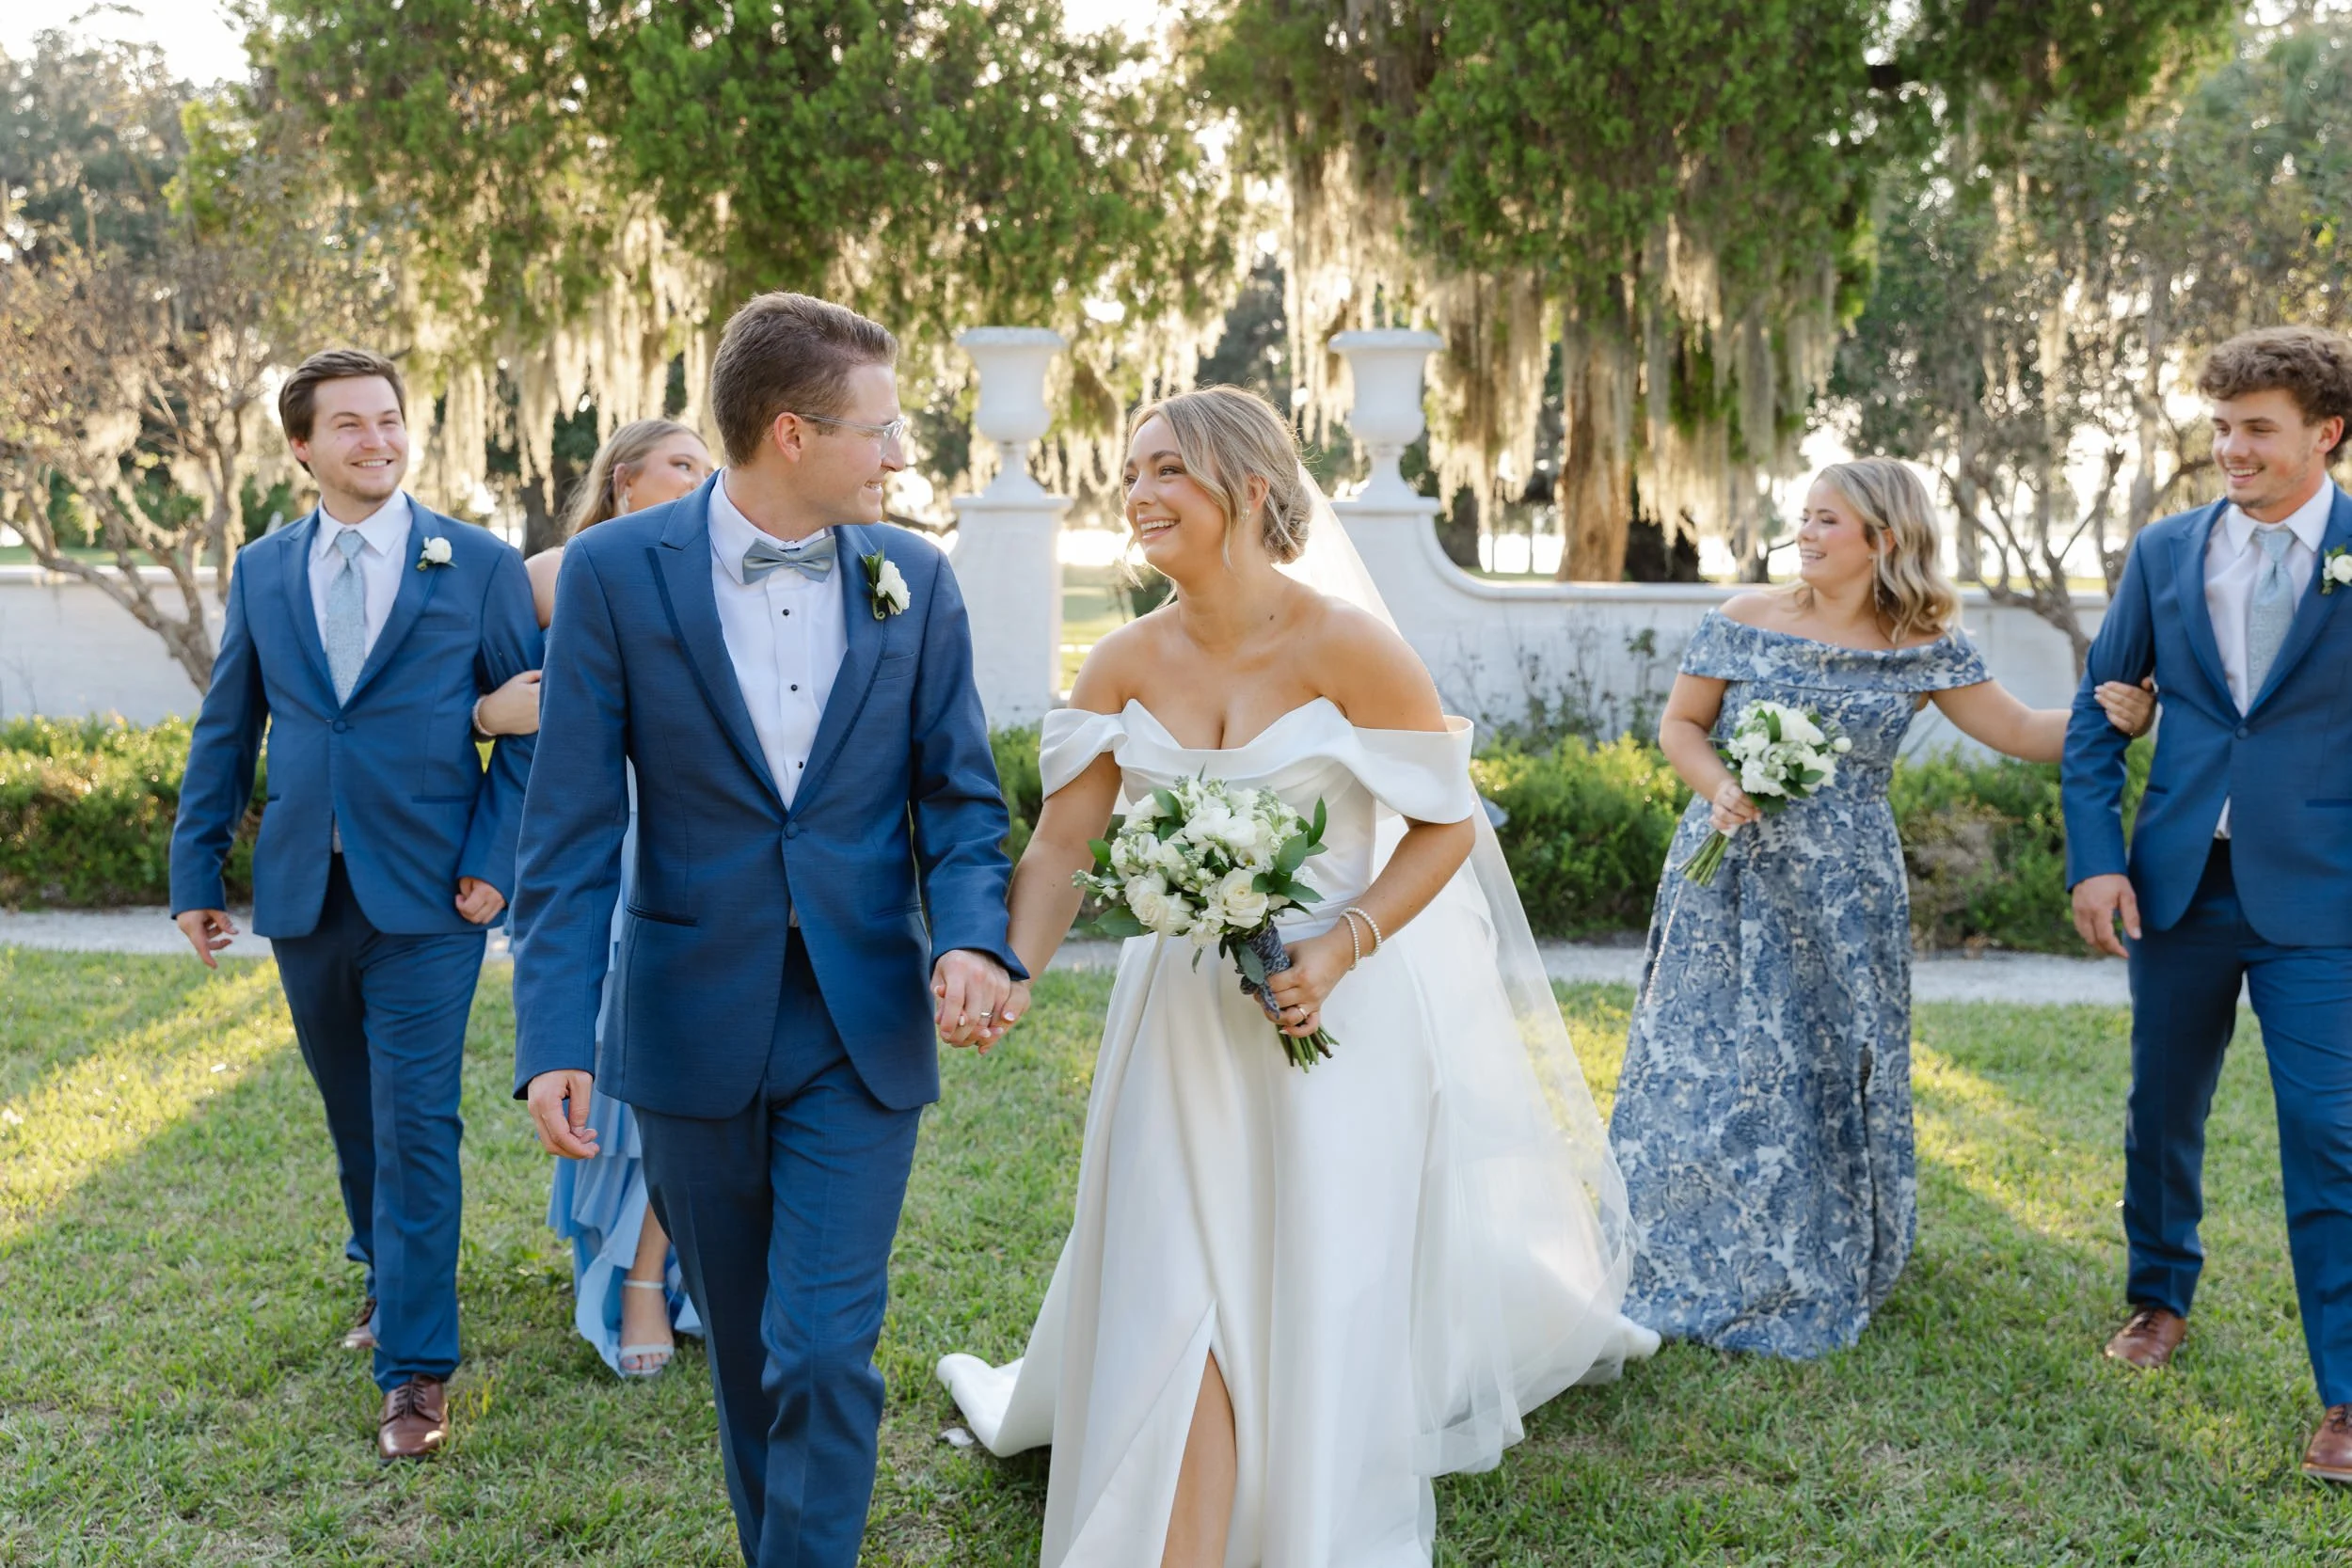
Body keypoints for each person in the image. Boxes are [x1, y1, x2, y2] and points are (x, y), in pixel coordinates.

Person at [937, 387, 1654, 1568]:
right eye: (1130, 472)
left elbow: (1444, 827)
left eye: (1166, 469)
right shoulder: (1120, 658)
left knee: (1310, 1284)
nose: (1136, 493)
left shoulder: (1347, 648)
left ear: (1249, 487)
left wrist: (1340, 943)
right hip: (1175, 1025)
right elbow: (1062, 848)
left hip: (1337, 1017)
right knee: (1178, 1284)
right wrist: (1010, 971)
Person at [510, 293, 1024, 1567]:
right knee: (746, 1352)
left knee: (824, 1347)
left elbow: (961, 798)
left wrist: (971, 936)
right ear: (790, 432)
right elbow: (567, 826)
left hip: (860, 1023)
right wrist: (550, 1033)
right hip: (688, 1015)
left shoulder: (917, 577)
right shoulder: (621, 574)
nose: (898, 456)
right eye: (879, 430)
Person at [1608, 456, 2157, 1360]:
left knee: (1823, 1059)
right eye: (1805, 516)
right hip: (1727, 874)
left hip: (1844, 888)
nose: (1806, 534)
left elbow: (2021, 732)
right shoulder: (1743, 618)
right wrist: (1719, 787)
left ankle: (1808, 1249)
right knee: (1702, 1057)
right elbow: (1681, 727)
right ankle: (1684, 1240)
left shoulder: (1922, 643)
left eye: (1827, 520)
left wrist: (2118, 718)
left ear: (1883, 539)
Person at [168, 348, 541, 1461]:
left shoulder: (476, 563)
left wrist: (496, 859)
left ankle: (417, 1367)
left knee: (417, 1118)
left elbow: (530, 723)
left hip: (433, 894)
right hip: (303, 887)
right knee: (352, 1112)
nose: (377, 440)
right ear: (302, 446)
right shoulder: (263, 569)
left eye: (389, 419)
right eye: (350, 425)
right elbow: (228, 726)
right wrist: (197, 875)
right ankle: (387, 1273)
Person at [2063, 325, 2352, 1485]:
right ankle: (2157, 1297)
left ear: (2325, 433)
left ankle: (2344, 1395)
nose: (2229, 448)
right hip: (2178, 883)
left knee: (2331, 1130)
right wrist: (2095, 858)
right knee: (2161, 1106)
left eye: (2255, 429)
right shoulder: (2168, 550)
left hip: (2324, 896)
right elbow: (2098, 711)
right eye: (2220, 427)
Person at [472, 418, 717, 1377]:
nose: (705, 480)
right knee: (617, 1066)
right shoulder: (549, 575)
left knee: (687, 1057)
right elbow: (460, 695)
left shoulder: (718, 572)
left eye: (711, 465)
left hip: (686, 837)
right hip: (591, 845)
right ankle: (628, 1263)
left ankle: (654, 1269)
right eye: (684, 464)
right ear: (624, 479)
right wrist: (489, 712)